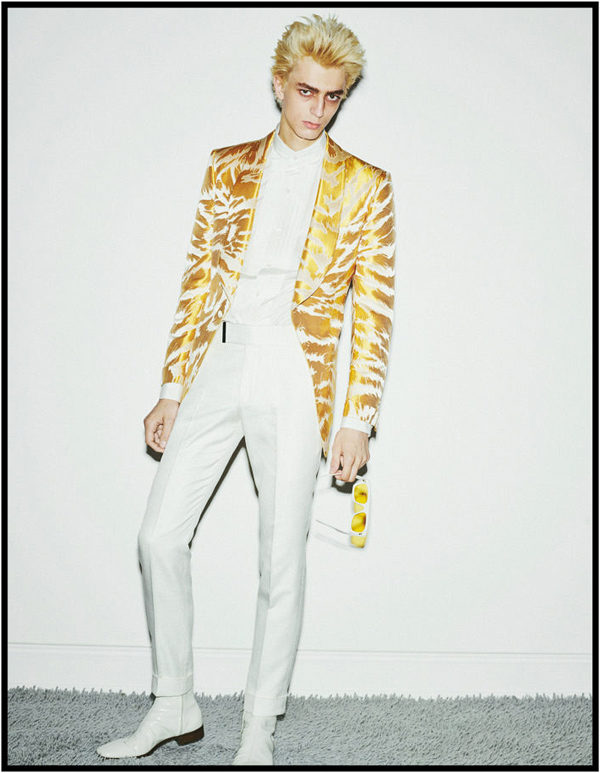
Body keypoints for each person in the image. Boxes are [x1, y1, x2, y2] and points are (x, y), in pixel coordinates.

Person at [96, 13, 396, 765]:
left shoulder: (367, 185)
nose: (318, 109)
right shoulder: (226, 166)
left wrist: (357, 418)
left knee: (280, 556)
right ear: (279, 84)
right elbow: (200, 280)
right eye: (306, 91)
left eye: (333, 96)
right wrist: (172, 386)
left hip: (298, 369)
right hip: (222, 357)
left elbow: (374, 310)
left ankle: (259, 727)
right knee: (158, 534)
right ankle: (175, 702)